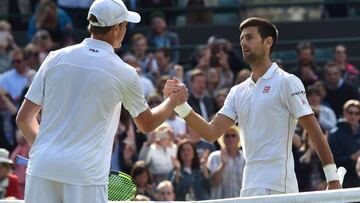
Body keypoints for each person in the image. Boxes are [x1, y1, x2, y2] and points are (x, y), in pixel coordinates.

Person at [15, 0, 188, 203]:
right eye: (124, 25)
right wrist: (172, 100)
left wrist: (46, 150)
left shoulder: (54, 58)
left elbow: (24, 119)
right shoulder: (125, 72)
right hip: (85, 174)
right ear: (116, 28)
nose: (126, 30)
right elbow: (147, 124)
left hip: (42, 167)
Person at [164, 17, 342, 197]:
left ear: (268, 42)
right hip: (248, 188)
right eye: (241, 39)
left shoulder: (287, 82)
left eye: (249, 37)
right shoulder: (237, 91)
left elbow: (314, 130)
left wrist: (332, 179)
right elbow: (211, 133)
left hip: (279, 187)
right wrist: (180, 106)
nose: (243, 43)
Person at [207, 125, 245, 199]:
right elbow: (213, 182)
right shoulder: (214, 157)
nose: (230, 138)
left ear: (240, 138)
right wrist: (223, 164)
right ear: (222, 139)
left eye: (233, 135)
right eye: (227, 136)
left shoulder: (245, 158)